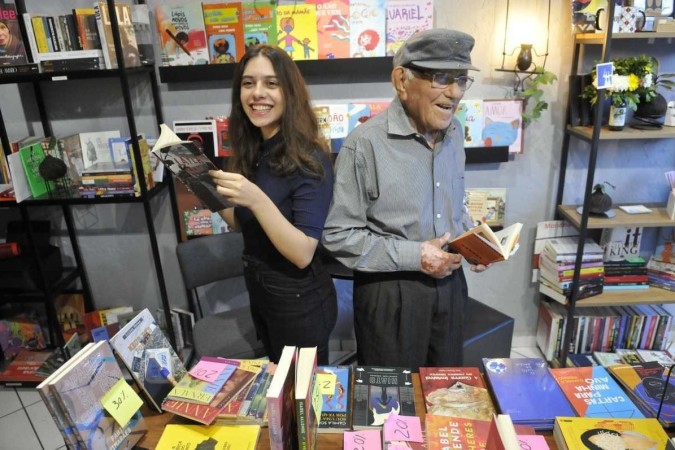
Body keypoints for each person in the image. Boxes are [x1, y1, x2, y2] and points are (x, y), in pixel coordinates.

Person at [322, 29, 489, 371]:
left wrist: (474, 240)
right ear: (401, 80)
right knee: (393, 402)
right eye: (441, 78)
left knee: (446, 386)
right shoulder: (364, 145)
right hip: (390, 295)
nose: (455, 92)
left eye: (461, 79)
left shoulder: (455, 133)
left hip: (452, 287)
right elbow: (338, 236)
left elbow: (450, 207)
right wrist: (417, 256)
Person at [209, 44, 337, 365]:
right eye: (248, 83)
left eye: (271, 83)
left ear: (289, 92)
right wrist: (200, 186)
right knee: (278, 393)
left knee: (301, 402)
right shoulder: (256, 149)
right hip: (262, 293)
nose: (257, 93)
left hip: (299, 301)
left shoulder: (309, 157)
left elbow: (302, 252)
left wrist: (255, 198)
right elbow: (245, 224)